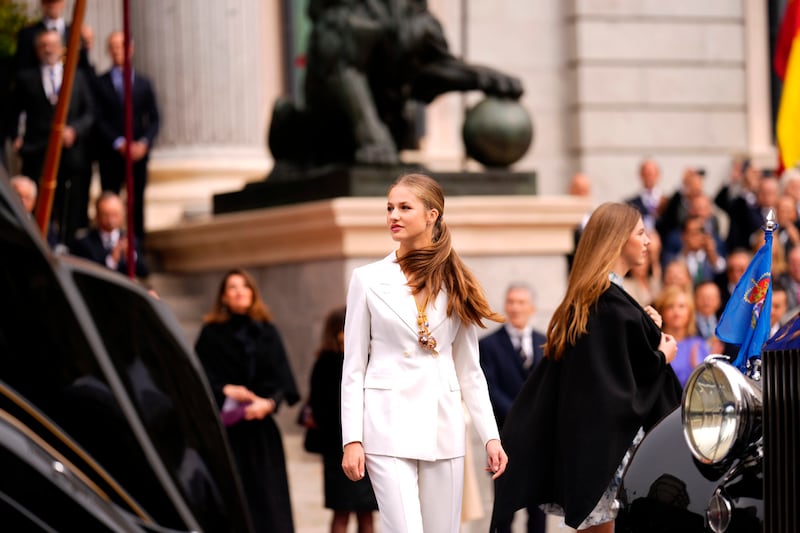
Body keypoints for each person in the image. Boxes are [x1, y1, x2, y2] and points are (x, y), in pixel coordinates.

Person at [492, 202, 681, 533]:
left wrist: (646, 328)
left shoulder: (597, 298)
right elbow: (614, 383)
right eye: (640, 233)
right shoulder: (607, 302)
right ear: (618, 239)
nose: (648, 241)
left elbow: (613, 363)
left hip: (594, 444)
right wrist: (661, 355)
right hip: (606, 447)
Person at [340, 173, 507, 533]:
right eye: (389, 208)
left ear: (432, 215)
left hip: (442, 425)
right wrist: (351, 438)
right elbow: (353, 366)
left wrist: (491, 436)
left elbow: (470, 371)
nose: (393, 216)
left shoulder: (456, 280)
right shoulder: (366, 279)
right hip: (385, 425)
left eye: (404, 207)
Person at [194, 269, 300, 533]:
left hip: (261, 432)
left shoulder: (268, 332)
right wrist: (225, 389)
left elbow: (282, 381)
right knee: (231, 501)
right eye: (232, 287)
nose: (239, 291)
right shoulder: (211, 334)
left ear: (253, 294)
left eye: (245, 286)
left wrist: (268, 404)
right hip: (227, 433)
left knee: (268, 503)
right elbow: (197, 377)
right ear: (223, 297)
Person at [9, 28, 94, 247]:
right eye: (43, 45)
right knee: (38, 203)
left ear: (62, 48)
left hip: (70, 153)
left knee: (70, 204)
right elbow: (12, 111)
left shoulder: (76, 76)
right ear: (36, 50)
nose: (48, 49)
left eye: (52, 44)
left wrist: (74, 130)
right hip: (38, 151)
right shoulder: (26, 78)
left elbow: (90, 112)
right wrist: (16, 138)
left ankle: (67, 247)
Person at [479, 282, 546, 533]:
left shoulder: (545, 342)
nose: (515, 307)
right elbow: (490, 390)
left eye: (521, 302)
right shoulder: (488, 346)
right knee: (504, 512)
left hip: (539, 443)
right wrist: (523, 419)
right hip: (504, 439)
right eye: (511, 302)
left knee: (538, 512)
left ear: (532, 307)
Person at [309, 307, 378, 533]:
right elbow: (319, 408)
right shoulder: (326, 363)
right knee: (341, 514)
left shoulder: (370, 359)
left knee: (367, 515)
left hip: (368, 448)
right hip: (337, 451)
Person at [94, 31, 160, 240]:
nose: (117, 50)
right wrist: (119, 142)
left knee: (136, 202)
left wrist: (143, 143)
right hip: (112, 154)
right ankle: (110, 246)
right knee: (110, 200)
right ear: (108, 51)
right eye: (113, 46)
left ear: (130, 49)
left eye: (121, 46)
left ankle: (137, 249)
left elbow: (155, 118)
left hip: (138, 155)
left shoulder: (143, 82)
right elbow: (98, 118)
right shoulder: (100, 83)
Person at [72, 192, 148, 278]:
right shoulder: (85, 243)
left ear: (122, 214)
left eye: (115, 214)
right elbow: (86, 274)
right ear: (97, 215)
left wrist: (131, 256)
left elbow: (143, 272)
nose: (111, 220)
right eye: (106, 215)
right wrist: (112, 260)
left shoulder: (130, 239)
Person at [654, 285, 708, 386]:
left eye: (681, 306)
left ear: (690, 312)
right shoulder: (655, 343)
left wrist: (697, 368)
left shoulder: (698, 344)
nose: (676, 311)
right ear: (661, 312)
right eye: (670, 306)